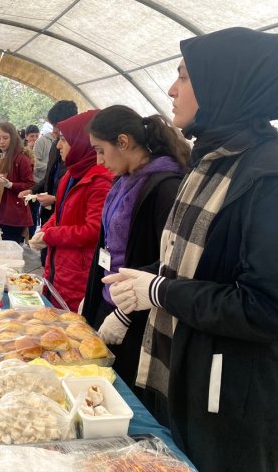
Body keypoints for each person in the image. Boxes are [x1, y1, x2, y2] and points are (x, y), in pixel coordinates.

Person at [102, 27, 278, 472]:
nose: (171, 89)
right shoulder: (210, 163)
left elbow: (272, 309)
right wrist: (132, 292)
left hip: (227, 400)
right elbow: (191, 264)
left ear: (227, 82)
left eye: (184, 77)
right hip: (179, 369)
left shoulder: (277, 182)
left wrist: (158, 291)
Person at [80, 105, 189, 389]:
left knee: (123, 387)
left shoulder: (165, 187)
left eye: (101, 150)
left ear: (124, 142)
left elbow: (168, 262)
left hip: (136, 314)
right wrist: (92, 296)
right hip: (109, 299)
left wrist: (124, 313)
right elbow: (108, 245)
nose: (99, 160)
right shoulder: (124, 181)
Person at [29, 110, 112, 312]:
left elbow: (93, 230)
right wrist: (44, 230)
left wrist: (50, 234)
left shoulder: (99, 180)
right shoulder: (71, 175)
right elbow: (59, 215)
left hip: (78, 274)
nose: (58, 146)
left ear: (81, 142)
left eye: (64, 140)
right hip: (58, 267)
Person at [19, 100, 78, 265]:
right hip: (48, 214)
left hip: (64, 219)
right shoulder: (55, 144)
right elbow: (48, 177)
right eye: (54, 128)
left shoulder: (81, 153)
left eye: (58, 127)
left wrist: (56, 199)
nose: (56, 133)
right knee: (46, 260)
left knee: (57, 260)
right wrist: (32, 191)